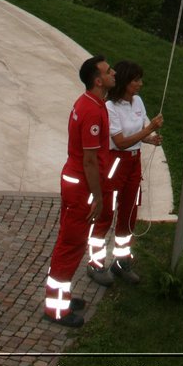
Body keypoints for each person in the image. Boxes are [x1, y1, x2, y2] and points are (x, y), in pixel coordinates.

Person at [43, 55, 117, 327]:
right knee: (71, 246)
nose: (114, 74)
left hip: (75, 182)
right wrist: (97, 196)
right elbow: (89, 160)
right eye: (109, 72)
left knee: (69, 241)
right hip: (82, 188)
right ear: (98, 81)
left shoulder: (89, 103)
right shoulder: (93, 111)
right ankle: (56, 308)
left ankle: (62, 295)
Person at [105, 60, 164, 284]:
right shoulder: (111, 107)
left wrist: (149, 138)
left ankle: (122, 260)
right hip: (116, 163)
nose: (140, 84)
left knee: (129, 212)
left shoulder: (137, 101)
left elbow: (138, 133)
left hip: (133, 161)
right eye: (135, 80)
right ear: (124, 82)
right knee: (107, 212)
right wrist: (148, 130)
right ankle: (96, 263)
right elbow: (119, 142)